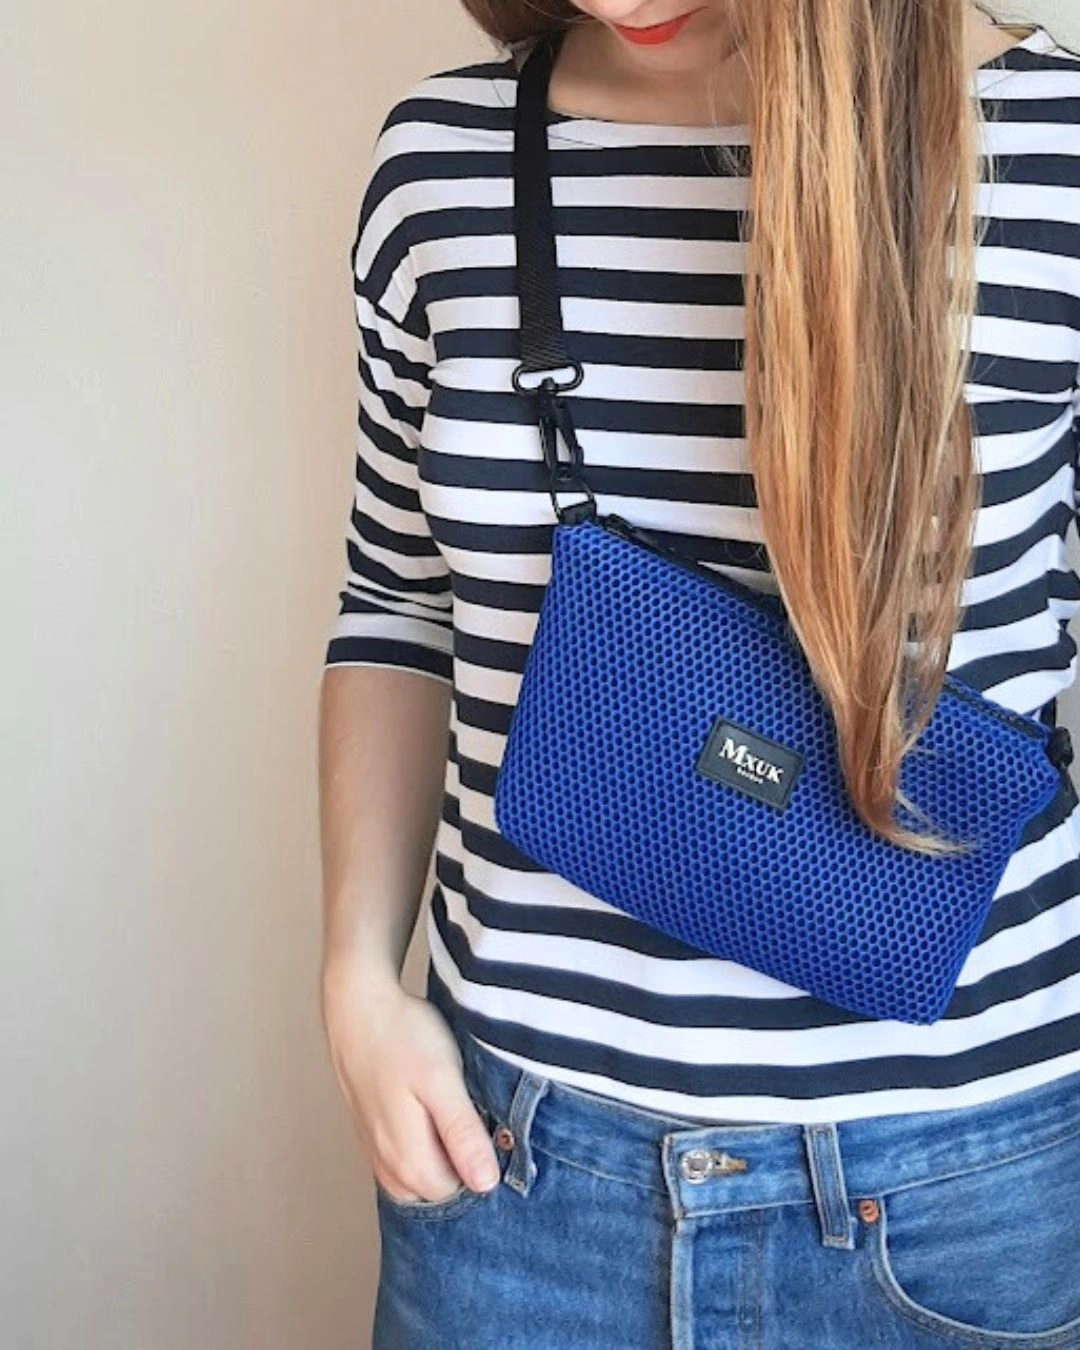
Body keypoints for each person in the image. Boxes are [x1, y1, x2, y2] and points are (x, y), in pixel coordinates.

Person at [318, 2, 1080, 1344]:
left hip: (963, 1188)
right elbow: (397, 601)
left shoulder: (1056, 148)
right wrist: (357, 987)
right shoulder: (441, 166)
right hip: (513, 1173)